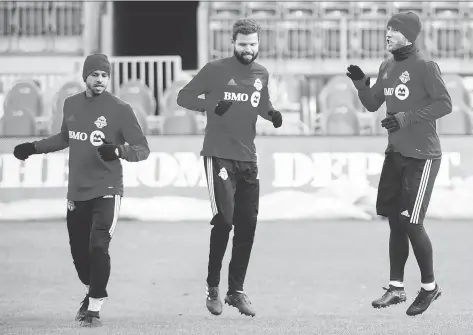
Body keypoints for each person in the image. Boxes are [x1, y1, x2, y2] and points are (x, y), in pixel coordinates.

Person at [13, 54, 150, 327]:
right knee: (79, 254)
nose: (100, 80)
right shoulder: (71, 104)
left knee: (98, 245)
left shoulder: (120, 109)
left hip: (107, 189)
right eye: (95, 74)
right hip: (77, 192)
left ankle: (95, 307)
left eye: (104, 75)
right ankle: (90, 291)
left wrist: (119, 150)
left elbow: (142, 149)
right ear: (85, 76)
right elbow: (65, 137)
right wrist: (33, 147)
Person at [346, 12, 452, 316]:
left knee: (411, 221)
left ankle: (430, 288)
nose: (387, 33)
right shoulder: (387, 66)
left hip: (423, 156)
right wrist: (360, 84)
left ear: (409, 35)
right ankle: (396, 287)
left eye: (394, 29)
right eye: (387, 28)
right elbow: (372, 103)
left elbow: (445, 103)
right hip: (395, 154)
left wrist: (406, 117)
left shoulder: (425, 66)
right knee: (395, 220)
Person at [177, 18, 282, 317]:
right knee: (224, 220)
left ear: (258, 44)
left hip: (249, 159)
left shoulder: (262, 72)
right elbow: (183, 96)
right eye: (242, 44)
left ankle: (235, 291)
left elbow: (261, 101)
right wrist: (211, 105)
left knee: (247, 225)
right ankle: (212, 287)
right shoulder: (215, 70)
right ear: (232, 43)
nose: (248, 50)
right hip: (219, 155)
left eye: (252, 45)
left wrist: (271, 114)